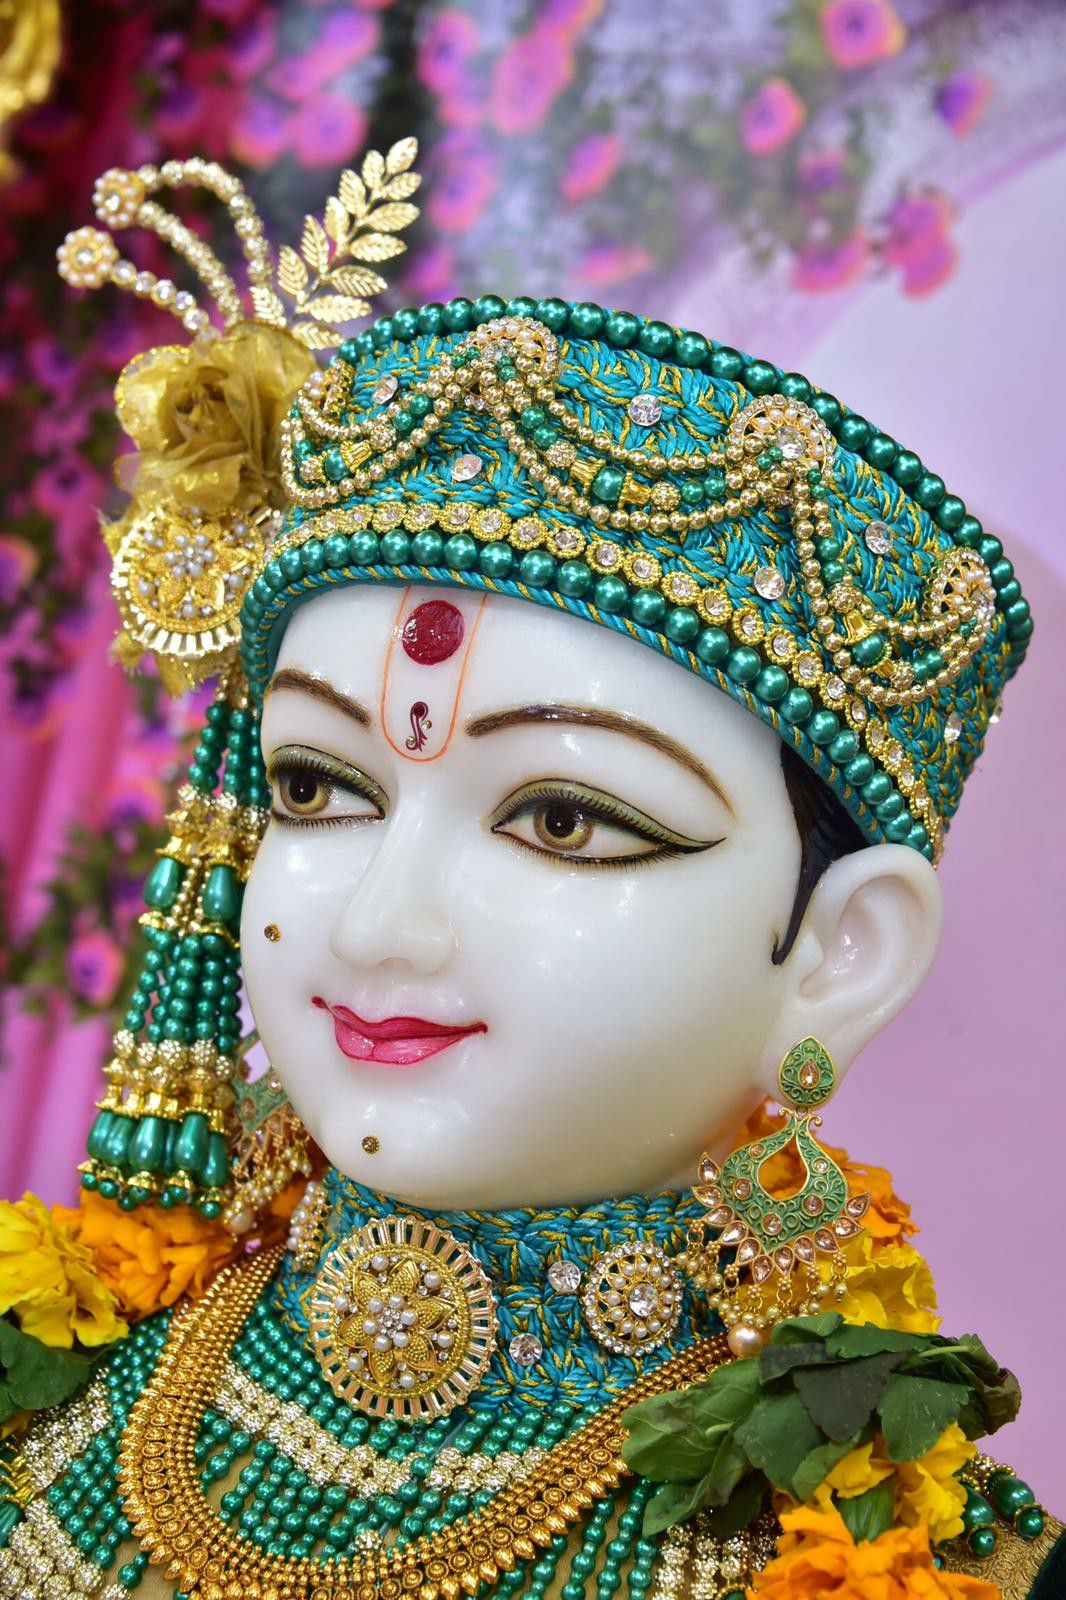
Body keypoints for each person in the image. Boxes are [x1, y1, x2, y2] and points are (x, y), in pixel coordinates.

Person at [0, 144, 1058, 1600]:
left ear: (837, 952)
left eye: (562, 820)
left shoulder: (918, 1560)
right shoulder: (45, 1387)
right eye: (316, 789)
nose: (381, 921)